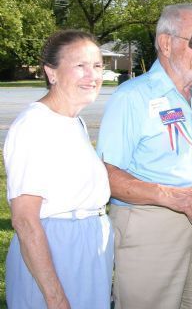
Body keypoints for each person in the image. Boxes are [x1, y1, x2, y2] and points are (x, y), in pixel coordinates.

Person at [96, 3, 192, 309]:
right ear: (165, 43)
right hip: (148, 227)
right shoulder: (133, 97)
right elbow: (106, 175)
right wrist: (169, 196)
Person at [3, 30, 114, 308]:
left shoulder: (74, 122)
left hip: (87, 250)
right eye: (80, 66)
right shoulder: (34, 125)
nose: (92, 75)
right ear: (51, 73)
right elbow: (25, 221)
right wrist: (55, 298)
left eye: (97, 65)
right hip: (56, 250)